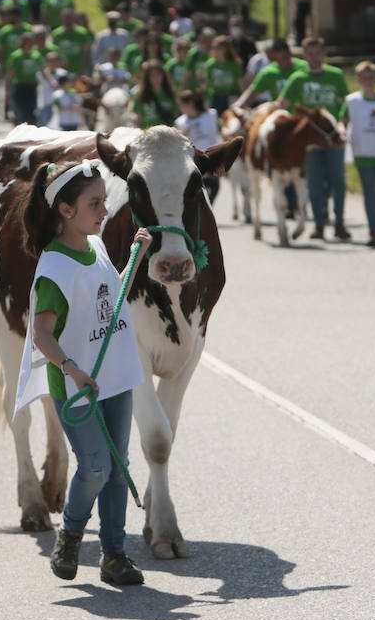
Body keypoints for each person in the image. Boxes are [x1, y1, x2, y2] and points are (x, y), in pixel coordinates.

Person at [13, 159, 151, 586]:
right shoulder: (54, 268)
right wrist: (72, 370)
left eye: (104, 202)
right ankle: (71, 536)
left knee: (118, 464)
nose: (104, 211)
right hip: (77, 385)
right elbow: (41, 334)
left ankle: (114, 556)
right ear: (66, 210)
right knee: (96, 467)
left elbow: (112, 297)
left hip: (114, 374)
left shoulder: (98, 247)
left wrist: (136, 256)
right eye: (95, 203)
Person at [278, 38, 350, 241]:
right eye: (309, 54)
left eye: (317, 53)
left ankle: (340, 222)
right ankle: (319, 224)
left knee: (338, 181)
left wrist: (343, 124)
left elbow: (346, 102)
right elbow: (283, 103)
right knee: (315, 183)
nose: (314, 57)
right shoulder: (298, 78)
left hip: (334, 137)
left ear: (324, 53)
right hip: (310, 141)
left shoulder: (336, 75)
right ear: (304, 56)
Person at [343, 62, 375, 247]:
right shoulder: (352, 101)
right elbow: (343, 121)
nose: (368, 81)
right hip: (362, 152)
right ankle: (374, 230)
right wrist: (344, 134)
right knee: (370, 191)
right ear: (358, 80)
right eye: (364, 78)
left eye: (371, 78)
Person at [175, 91, 221, 203]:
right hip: (194, 161)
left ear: (190, 103)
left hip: (211, 158)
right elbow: (176, 142)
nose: (180, 108)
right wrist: (181, 134)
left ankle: (207, 206)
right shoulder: (180, 122)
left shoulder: (210, 115)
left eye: (182, 105)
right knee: (198, 188)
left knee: (215, 186)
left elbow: (220, 129)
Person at [130, 60, 179, 128]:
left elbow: (175, 118)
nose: (156, 78)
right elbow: (138, 119)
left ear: (163, 76)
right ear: (147, 78)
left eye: (158, 75)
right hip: (148, 134)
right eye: (152, 76)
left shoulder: (170, 94)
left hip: (166, 134)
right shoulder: (141, 95)